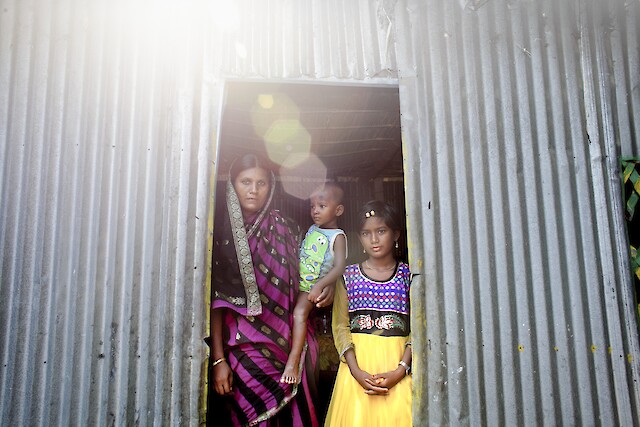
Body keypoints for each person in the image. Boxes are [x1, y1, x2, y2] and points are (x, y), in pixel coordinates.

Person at [210, 153, 331, 426]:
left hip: (291, 346)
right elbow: (217, 303)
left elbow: (307, 280)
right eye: (246, 181)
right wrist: (219, 360)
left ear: (271, 187)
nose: (253, 190)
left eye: (261, 183)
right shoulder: (221, 235)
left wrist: (327, 288)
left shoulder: (287, 229)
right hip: (244, 352)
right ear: (233, 185)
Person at [324, 200, 412, 427]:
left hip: (397, 371)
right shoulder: (348, 276)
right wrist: (355, 371)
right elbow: (340, 326)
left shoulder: (408, 277)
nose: (374, 239)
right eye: (366, 233)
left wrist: (401, 370)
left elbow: (419, 329)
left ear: (396, 234)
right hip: (356, 374)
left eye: (381, 231)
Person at [281, 183, 347, 385]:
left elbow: (339, 267)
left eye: (322, 206)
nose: (315, 211)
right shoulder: (312, 229)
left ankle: (293, 361)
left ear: (338, 210)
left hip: (312, 287)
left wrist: (321, 285)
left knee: (299, 314)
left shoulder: (338, 236)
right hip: (299, 283)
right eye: (312, 206)